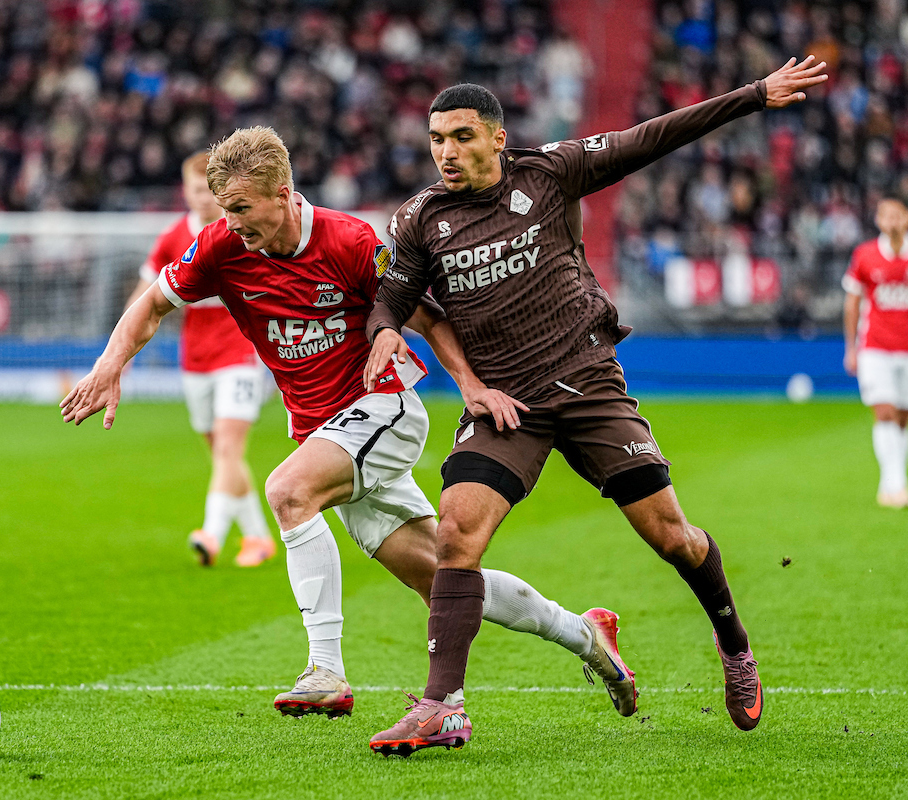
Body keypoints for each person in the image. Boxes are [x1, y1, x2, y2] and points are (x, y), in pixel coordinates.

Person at [61, 126, 637, 729]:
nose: (230, 223)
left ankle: (325, 671)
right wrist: (109, 366)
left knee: (287, 491)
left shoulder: (350, 241)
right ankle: (587, 636)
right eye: (223, 209)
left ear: (282, 193)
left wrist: (470, 387)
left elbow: (428, 318)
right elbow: (152, 304)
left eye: (240, 208)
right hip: (325, 432)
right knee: (444, 579)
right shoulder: (219, 248)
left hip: (383, 408)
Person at [363, 56, 830, 753]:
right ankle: (441, 706)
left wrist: (756, 95)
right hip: (507, 403)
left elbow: (653, 134)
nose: (446, 153)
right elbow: (390, 302)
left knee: (673, 537)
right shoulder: (422, 219)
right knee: (457, 533)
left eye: (461, 137)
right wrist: (382, 337)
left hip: (586, 384)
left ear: (496, 136)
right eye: (436, 139)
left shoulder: (550, 171)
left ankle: (732, 641)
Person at [126, 152, 276, 567]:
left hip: (240, 352)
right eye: (193, 190)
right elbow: (145, 293)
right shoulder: (174, 236)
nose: (201, 199)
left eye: (208, 190)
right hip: (194, 358)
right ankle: (259, 538)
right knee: (223, 456)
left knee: (229, 448)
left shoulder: (242, 232)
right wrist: (122, 350)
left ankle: (211, 534)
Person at [843, 195, 908, 509]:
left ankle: (891, 484)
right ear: (878, 221)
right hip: (875, 346)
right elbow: (852, 302)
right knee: (883, 411)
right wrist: (851, 348)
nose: (892, 221)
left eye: (897, 215)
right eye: (885, 215)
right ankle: (896, 485)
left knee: (902, 417)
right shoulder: (865, 255)